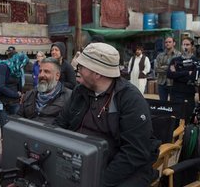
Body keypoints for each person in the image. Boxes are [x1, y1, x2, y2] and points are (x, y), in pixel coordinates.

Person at [54, 43, 160, 187]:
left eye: (81, 68)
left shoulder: (130, 99)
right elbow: (60, 124)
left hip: (117, 170)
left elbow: (134, 152)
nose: (77, 71)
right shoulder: (80, 91)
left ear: (97, 74)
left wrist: (98, 182)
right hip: (78, 161)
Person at [18, 57, 72, 123]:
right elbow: (18, 121)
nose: (41, 75)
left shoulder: (69, 98)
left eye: (46, 71)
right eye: (40, 71)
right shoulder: (28, 95)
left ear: (57, 76)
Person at [0, 46, 29, 126]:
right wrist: (16, 94)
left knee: (16, 128)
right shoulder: (3, 66)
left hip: (15, 103)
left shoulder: (18, 69)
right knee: (5, 128)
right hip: (3, 103)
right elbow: (0, 86)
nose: (22, 66)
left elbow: (19, 85)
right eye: (22, 63)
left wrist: (21, 94)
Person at [167, 37, 199, 120]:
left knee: (187, 119)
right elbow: (169, 74)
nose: (185, 46)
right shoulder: (175, 60)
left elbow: (193, 78)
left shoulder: (196, 61)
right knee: (174, 118)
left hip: (188, 94)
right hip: (176, 93)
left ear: (192, 46)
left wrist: (177, 74)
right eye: (183, 44)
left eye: (187, 44)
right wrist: (187, 73)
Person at [155, 37, 181, 101]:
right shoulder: (160, 56)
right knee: (163, 104)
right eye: (166, 42)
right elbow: (156, 69)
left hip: (173, 83)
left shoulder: (178, 55)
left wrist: (163, 67)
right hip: (162, 83)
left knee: (174, 104)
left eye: (169, 42)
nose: (167, 43)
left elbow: (178, 69)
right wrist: (169, 68)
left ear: (174, 43)